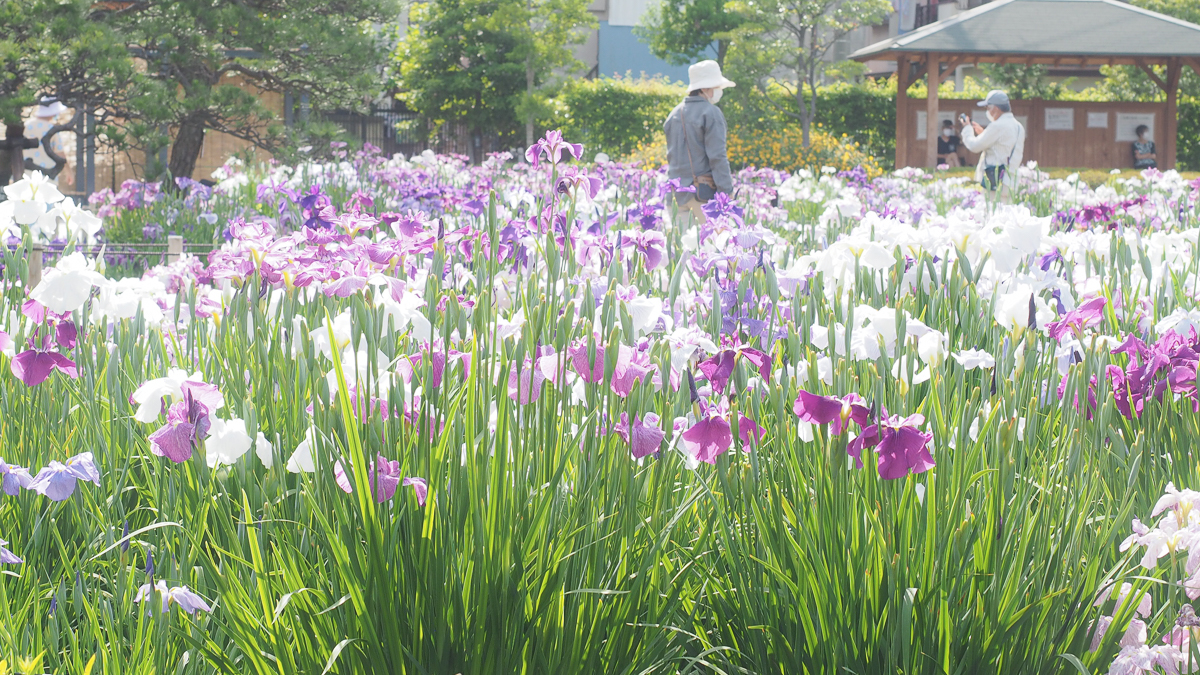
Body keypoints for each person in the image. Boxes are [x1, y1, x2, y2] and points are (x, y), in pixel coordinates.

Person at [664, 60, 734, 224]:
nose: (719, 91)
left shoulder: (674, 114)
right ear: (704, 88)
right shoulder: (711, 113)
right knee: (711, 246)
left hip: (675, 195)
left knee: (678, 247)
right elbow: (718, 158)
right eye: (716, 87)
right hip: (702, 196)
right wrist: (727, 192)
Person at [960, 89, 1025, 202]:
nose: (987, 111)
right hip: (1011, 181)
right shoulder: (1018, 126)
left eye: (988, 108)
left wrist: (967, 128)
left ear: (996, 108)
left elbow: (974, 146)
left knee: (992, 215)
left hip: (995, 180)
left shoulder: (997, 126)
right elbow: (1002, 145)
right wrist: (983, 133)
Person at [23, 95, 73, 187]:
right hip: (47, 176)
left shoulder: (26, 125)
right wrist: (68, 171)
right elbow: (60, 153)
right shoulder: (52, 129)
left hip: (25, 174)